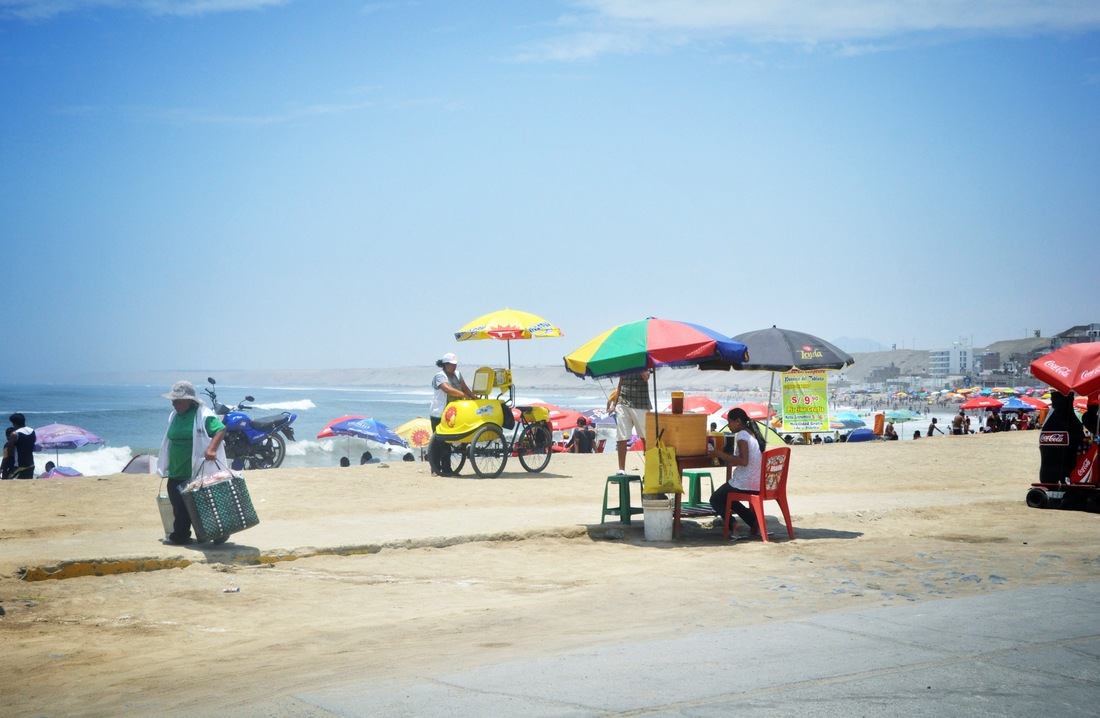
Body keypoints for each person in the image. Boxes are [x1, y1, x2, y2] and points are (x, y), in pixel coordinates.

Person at [156, 381, 227, 546]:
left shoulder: (202, 414)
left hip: (195, 469)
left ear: (189, 400)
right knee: (178, 504)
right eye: (173, 400)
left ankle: (212, 533)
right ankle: (181, 535)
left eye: (178, 400)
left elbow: (220, 429)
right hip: (176, 469)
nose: (174, 403)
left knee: (200, 505)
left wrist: (211, 449)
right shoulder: (174, 416)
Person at [707, 407, 765, 539]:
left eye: (730, 422)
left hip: (745, 481)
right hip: (757, 482)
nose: (728, 425)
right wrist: (728, 457)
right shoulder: (751, 434)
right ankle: (753, 522)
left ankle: (732, 524)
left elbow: (743, 461)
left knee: (715, 498)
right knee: (727, 497)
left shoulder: (742, 436)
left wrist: (719, 453)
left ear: (738, 421)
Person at [427, 352, 474, 477]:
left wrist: (473, 397)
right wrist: (462, 395)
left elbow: (465, 388)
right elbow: (447, 389)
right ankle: (435, 469)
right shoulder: (439, 376)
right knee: (438, 442)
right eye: (451, 365)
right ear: (445, 365)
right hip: (439, 413)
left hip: (453, 414)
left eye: (455, 364)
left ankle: (447, 469)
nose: (454, 367)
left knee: (447, 442)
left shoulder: (458, 374)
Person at [607, 369, 651, 474]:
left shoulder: (643, 361)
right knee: (621, 435)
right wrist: (614, 403)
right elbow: (620, 383)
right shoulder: (625, 363)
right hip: (623, 402)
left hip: (640, 404)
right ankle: (621, 469)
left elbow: (646, 377)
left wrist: (638, 366)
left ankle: (650, 468)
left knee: (646, 437)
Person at [7, 413, 36, 479]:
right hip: (31, 464)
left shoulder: (15, 434)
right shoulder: (32, 431)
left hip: (20, 466)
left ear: (14, 423)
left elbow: (10, 451)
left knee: (12, 483)